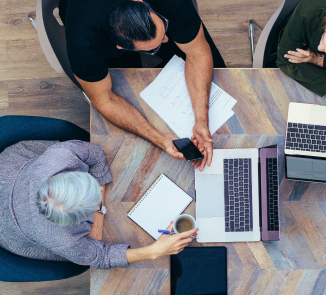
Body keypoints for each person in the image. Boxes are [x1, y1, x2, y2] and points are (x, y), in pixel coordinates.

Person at [60, 0, 227, 171]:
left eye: (164, 28)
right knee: (125, 86)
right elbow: (105, 100)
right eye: (155, 46)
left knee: (220, 75)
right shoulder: (83, 40)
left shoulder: (170, 4)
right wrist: (160, 139)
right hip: (83, 14)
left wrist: (201, 119)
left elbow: (198, 53)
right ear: (119, 46)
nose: (167, 39)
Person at [0, 139, 197, 269]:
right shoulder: (64, 240)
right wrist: (153, 251)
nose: (100, 196)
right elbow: (100, 257)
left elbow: (95, 154)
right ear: (74, 222)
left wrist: (100, 204)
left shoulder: (61, 156)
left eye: (92, 185)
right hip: (6, 228)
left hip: (6, 169)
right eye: (95, 206)